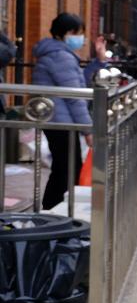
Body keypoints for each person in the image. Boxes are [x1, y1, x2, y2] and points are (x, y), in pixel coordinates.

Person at [31, 13, 105, 212]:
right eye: (79, 33)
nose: (81, 39)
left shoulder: (59, 54)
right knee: (66, 170)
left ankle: (52, 212)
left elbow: (78, 83)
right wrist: (88, 130)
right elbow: (75, 97)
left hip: (57, 120)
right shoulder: (60, 56)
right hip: (60, 122)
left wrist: (99, 61)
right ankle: (52, 213)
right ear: (68, 33)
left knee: (65, 169)